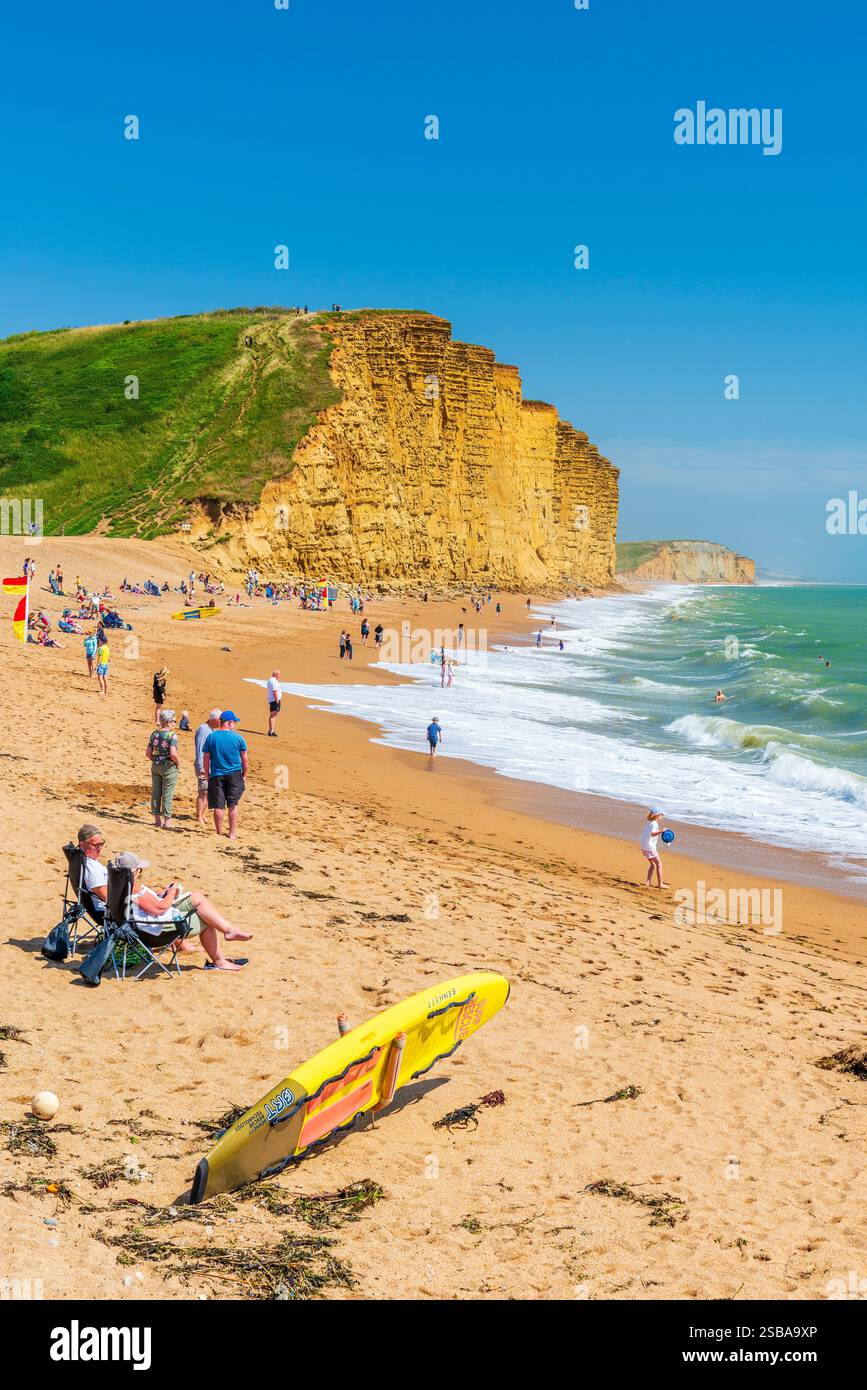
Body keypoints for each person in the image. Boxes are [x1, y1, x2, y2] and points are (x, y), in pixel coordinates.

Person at [115, 851, 252, 973]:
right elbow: (160, 909)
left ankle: (228, 933)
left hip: (146, 926)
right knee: (207, 919)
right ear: (134, 872)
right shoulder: (135, 891)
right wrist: (171, 893)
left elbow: (151, 905)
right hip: (158, 932)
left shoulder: (118, 888)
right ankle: (220, 958)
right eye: (140, 869)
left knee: (197, 898)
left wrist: (163, 894)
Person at [202, 711, 249, 840]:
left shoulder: (212, 737)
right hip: (234, 774)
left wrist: (207, 774)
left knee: (218, 805)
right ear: (229, 722)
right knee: (233, 804)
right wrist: (245, 774)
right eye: (234, 722)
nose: (235, 724)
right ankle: (232, 834)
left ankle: (218, 832)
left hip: (216, 774)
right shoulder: (238, 738)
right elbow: (245, 760)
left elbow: (206, 758)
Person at [146, 709, 180, 830]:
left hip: (156, 765)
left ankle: (157, 820)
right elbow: (173, 753)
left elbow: (148, 753)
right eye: (174, 721)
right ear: (169, 722)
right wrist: (178, 763)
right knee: (167, 793)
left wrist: (156, 760)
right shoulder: (172, 735)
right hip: (169, 766)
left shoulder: (155, 734)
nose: (175, 723)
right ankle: (167, 821)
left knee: (156, 792)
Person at [194, 708, 222, 826]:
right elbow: (200, 750)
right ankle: (199, 815)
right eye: (220, 721)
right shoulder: (204, 730)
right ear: (215, 720)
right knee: (203, 791)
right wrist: (201, 767)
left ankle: (203, 814)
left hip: (209, 766)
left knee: (208, 791)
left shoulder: (208, 729)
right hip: (204, 767)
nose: (221, 723)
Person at [77, 824, 108, 920]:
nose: (99, 848)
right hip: (105, 911)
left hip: (96, 907)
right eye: (96, 845)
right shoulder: (91, 868)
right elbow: (106, 896)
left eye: (101, 844)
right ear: (82, 845)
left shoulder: (79, 860)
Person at [640, 809, 670, 890]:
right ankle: (660, 884)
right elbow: (652, 834)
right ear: (657, 815)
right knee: (659, 864)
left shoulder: (650, 824)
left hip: (644, 846)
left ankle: (648, 882)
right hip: (649, 847)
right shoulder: (654, 824)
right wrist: (661, 831)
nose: (662, 816)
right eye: (662, 815)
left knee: (653, 865)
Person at [267, 670, 282, 737]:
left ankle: (271, 730)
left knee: (273, 716)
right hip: (274, 700)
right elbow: (275, 691)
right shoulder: (274, 681)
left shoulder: (271, 680)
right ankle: (271, 731)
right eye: (279, 674)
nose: (279, 676)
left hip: (272, 700)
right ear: (276, 674)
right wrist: (277, 701)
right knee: (273, 716)